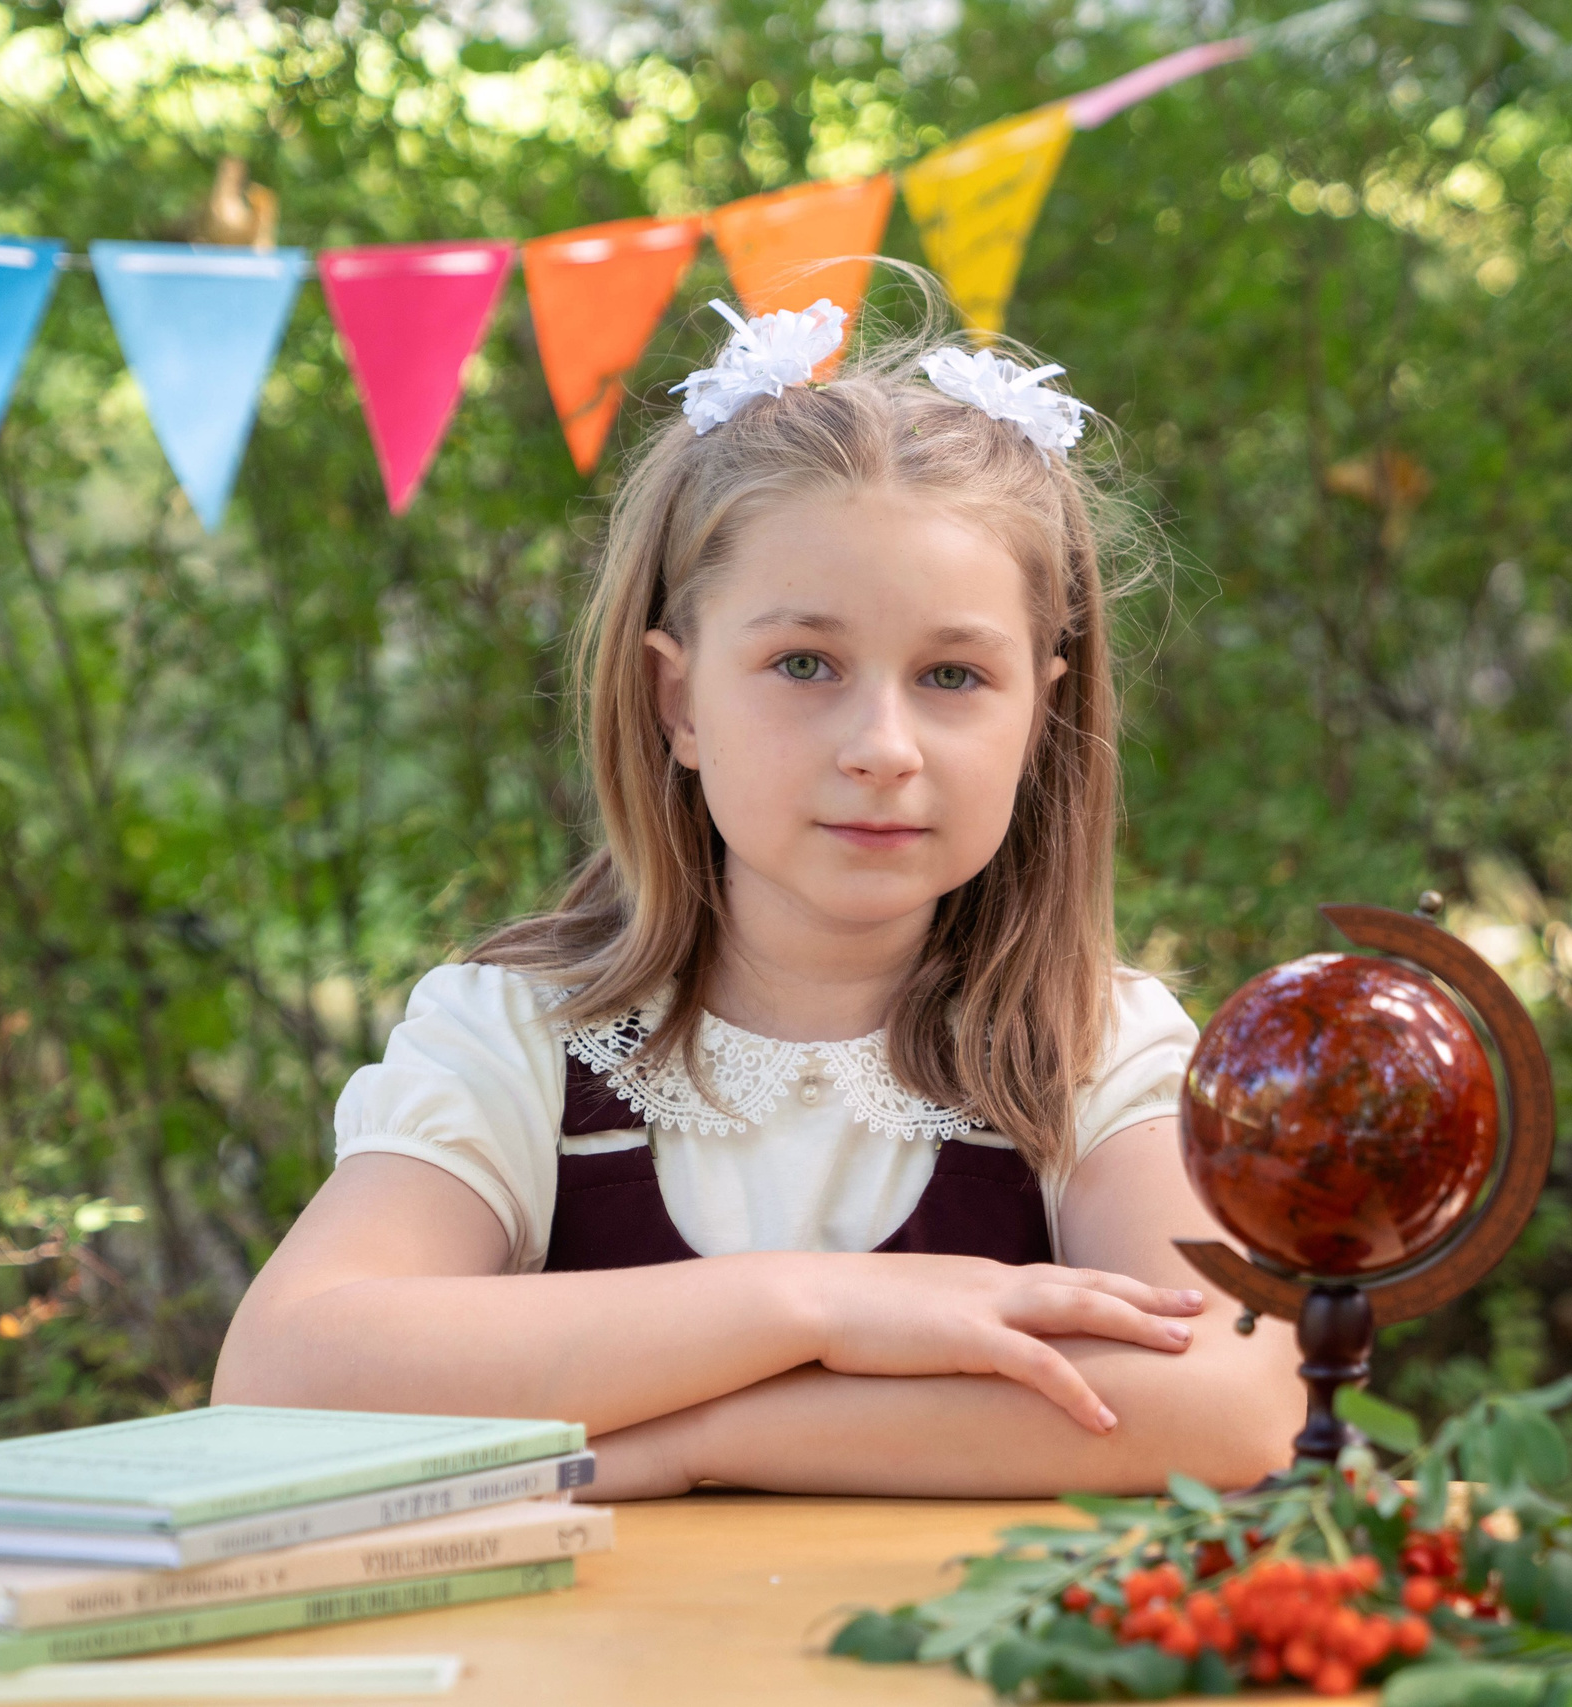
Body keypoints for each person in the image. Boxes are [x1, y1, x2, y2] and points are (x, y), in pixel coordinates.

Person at [213, 293, 1302, 1498]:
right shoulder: (517, 1043)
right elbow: (283, 1373)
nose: (883, 746)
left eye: (952, 674)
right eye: (803, 665)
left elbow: (1236, 1400)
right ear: (677, 701)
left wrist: (693, 1442)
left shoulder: (1086, 1051)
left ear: (1039, 709)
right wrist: (823, 1305)